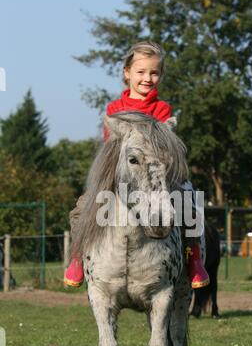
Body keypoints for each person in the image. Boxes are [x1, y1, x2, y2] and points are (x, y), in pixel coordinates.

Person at [64, 41, 209, 289]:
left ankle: (193, 257)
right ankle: (78, 255)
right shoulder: (115, 109)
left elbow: (166, 146)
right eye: (141, 72)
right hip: (121, 175)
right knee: (83, 206)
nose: (147, 78)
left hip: (156, 175)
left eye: (154, 72)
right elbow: (111, 147)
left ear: (160, 75)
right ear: (127, 73)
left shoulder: (162, 109)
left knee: (188, 201)